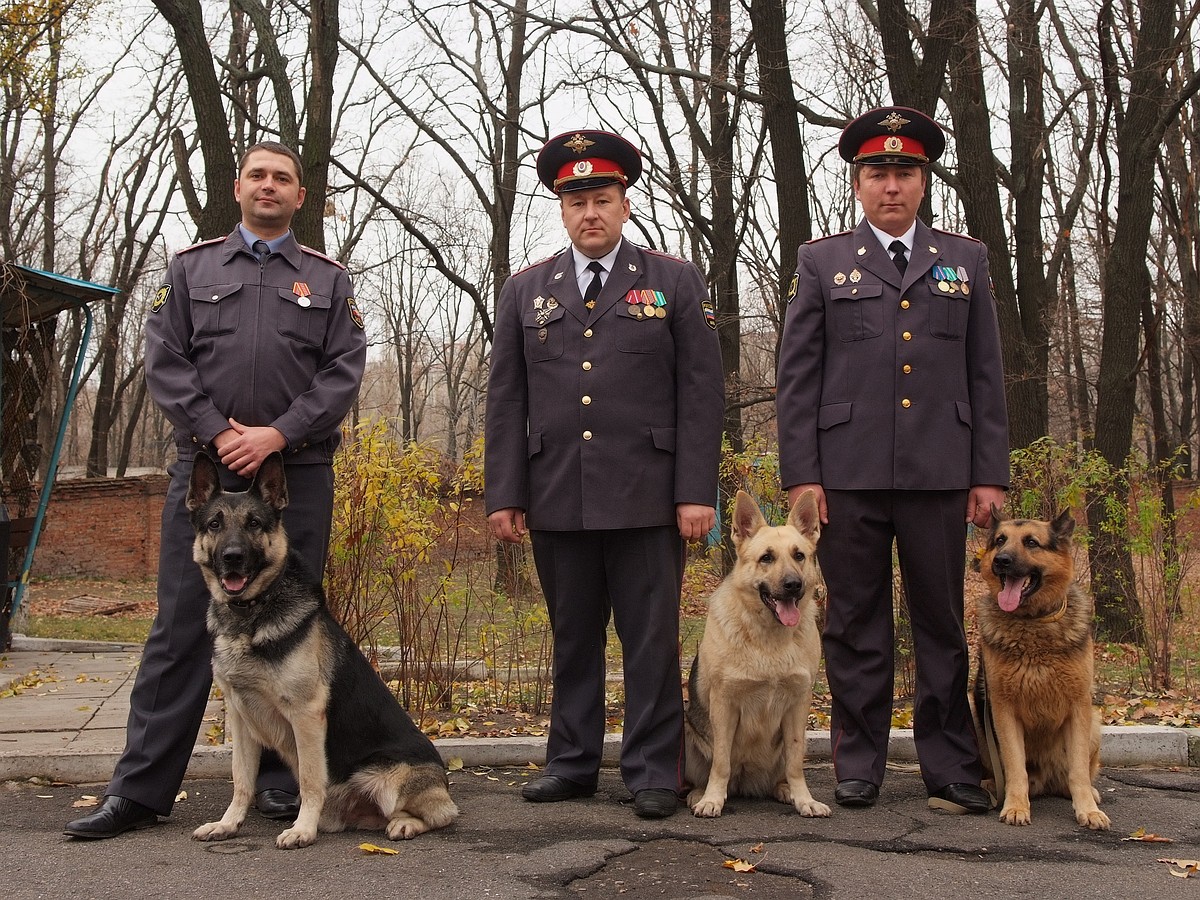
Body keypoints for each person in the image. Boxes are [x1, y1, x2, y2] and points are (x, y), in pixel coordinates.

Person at [65, 141, 367, 839]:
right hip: (204, 475)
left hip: (295, 478)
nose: (270, 186)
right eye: (258, 175)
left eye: (283, 178)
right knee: (178, 630)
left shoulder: (327, 280)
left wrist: (276, 436)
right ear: (238, 188)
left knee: (289, 631)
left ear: (300, 196)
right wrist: (216, 431)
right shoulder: (190, 268)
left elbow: (343, 371)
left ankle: (280, 785)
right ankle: (139, 791)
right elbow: (163, 359)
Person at [485, 130, 724, 819]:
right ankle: (572, 763)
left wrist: (692, 492)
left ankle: (653, 772)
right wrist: (506, 492)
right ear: (561, 210)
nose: (590, 211)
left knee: (650, 641)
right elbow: (506, 396)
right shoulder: (526, 288)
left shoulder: (672, 280)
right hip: (557, 492)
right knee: (573, 637)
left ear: (625, 205)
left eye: (603, 198)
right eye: (577, 200)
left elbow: (700, 392)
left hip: (650, 496)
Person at [776, 107, 1009, 813]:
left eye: (904, 171)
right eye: (877, 172)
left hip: (942, 471)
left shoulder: (965, 259)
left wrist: (988, 472)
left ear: (924, 180)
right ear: (857, 183)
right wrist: (804, 478)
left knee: (940, 620)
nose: (891, 185)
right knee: (855, 622)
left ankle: (950, 763)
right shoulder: (822, 261)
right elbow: (798, 377)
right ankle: (859, 762)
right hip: (846, 476)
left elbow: (984, 373)